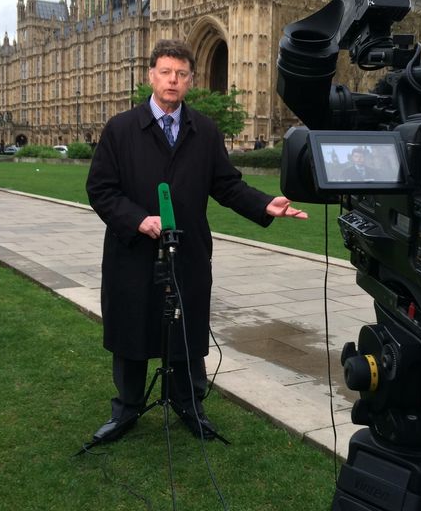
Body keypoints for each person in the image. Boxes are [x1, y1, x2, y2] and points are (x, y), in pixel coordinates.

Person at [86, 39, 307, 444]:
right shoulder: (120, 129)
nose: (173, 80)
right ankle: (127, 409)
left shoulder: (204, 130)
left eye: (181, 74)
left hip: (187, 253)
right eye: (166, 72)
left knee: (186, 332)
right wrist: (138, 220)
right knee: (133, 331)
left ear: (191, 79)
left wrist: (264, 206)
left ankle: (189, 404)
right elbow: (100, 189)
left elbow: (226, 185)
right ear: (151, 75)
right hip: (133, 253)